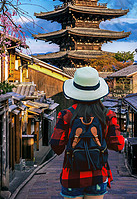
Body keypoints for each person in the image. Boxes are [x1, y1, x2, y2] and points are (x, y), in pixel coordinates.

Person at [50, 67, 125, 199]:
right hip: (98, 174)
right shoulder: (107, 115)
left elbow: (56, 146)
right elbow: (118, 145)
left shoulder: (66, 115)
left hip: (71, 175)